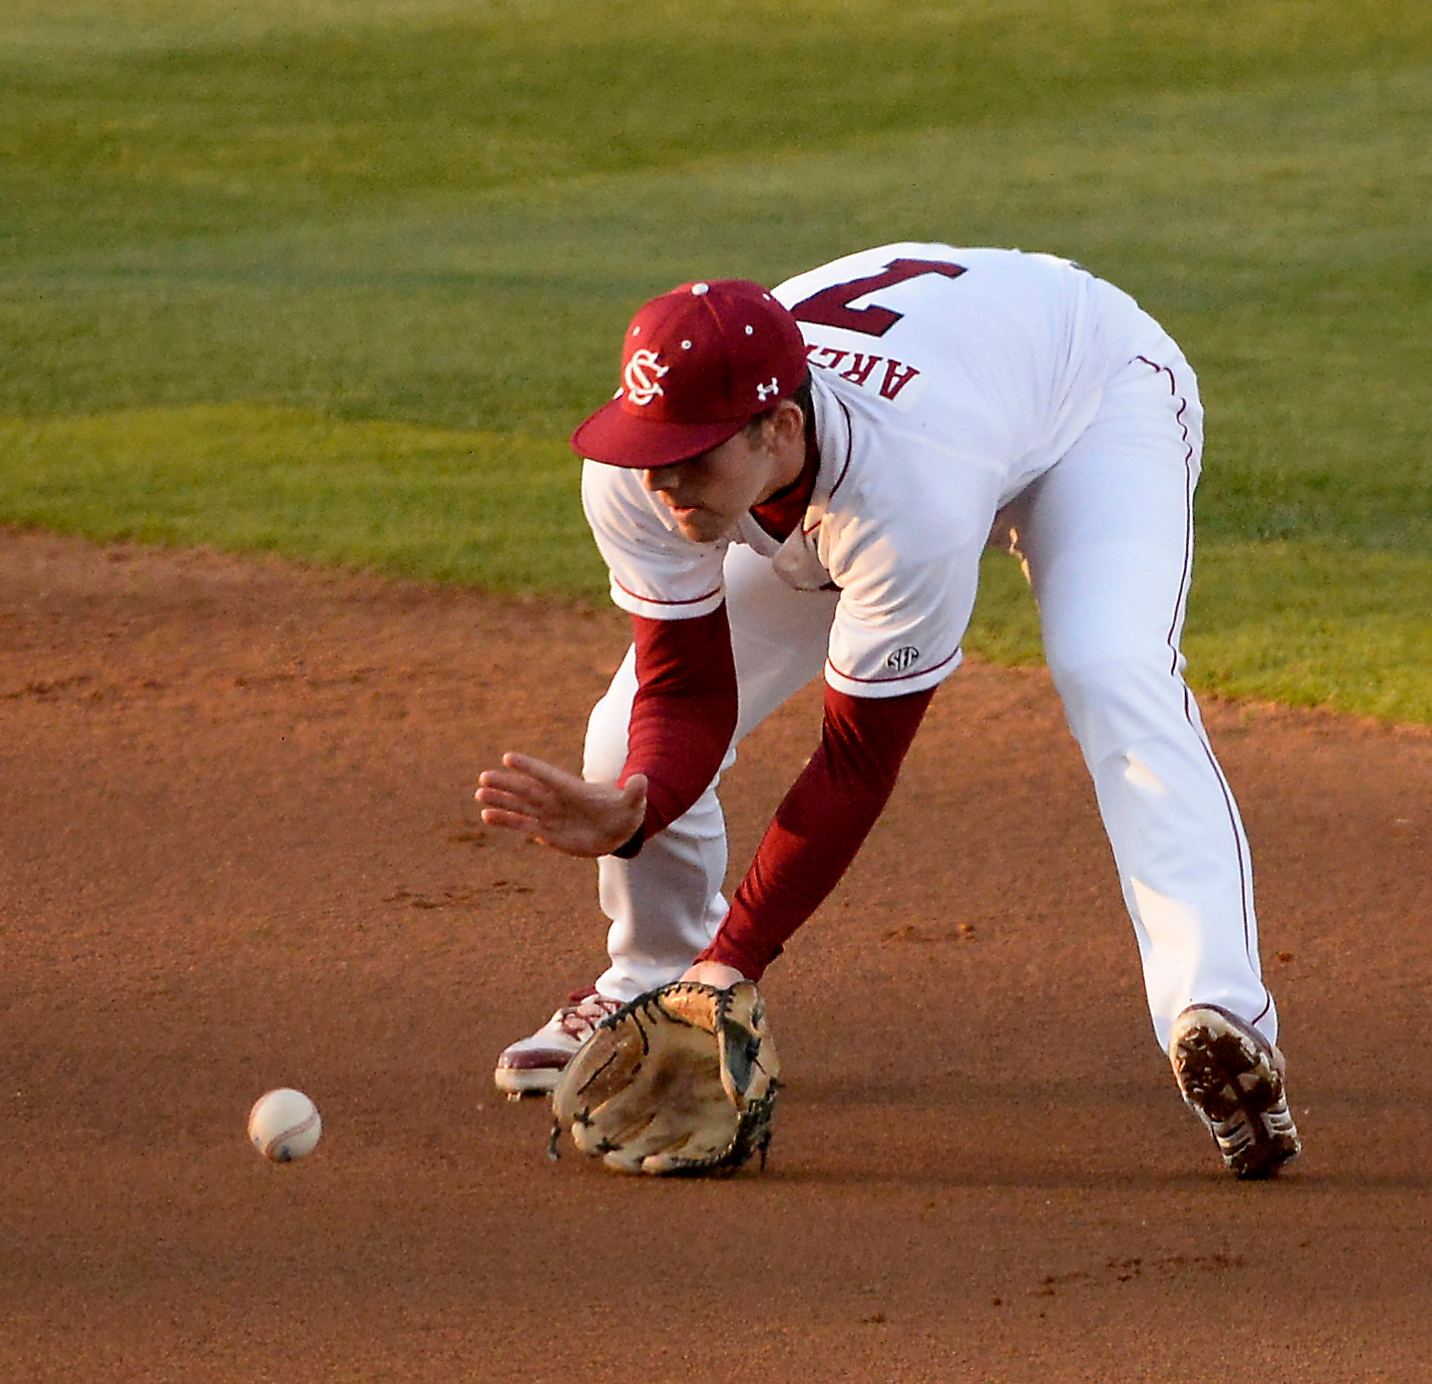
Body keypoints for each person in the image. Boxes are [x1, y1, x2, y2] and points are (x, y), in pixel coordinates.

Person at [474, 244, 1301, 1179]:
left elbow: (854, 765)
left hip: (1088, 399)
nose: (661, 484)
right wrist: (641, 802)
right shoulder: (643, 473)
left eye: (688, 460)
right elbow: (686, 690)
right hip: (925, 415)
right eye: (647, 451)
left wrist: (736, 960)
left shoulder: (906, 491)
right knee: (621, 737)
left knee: (1109, 665)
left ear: (773, 428)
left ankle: (1221, 1010)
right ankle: (652, 982)